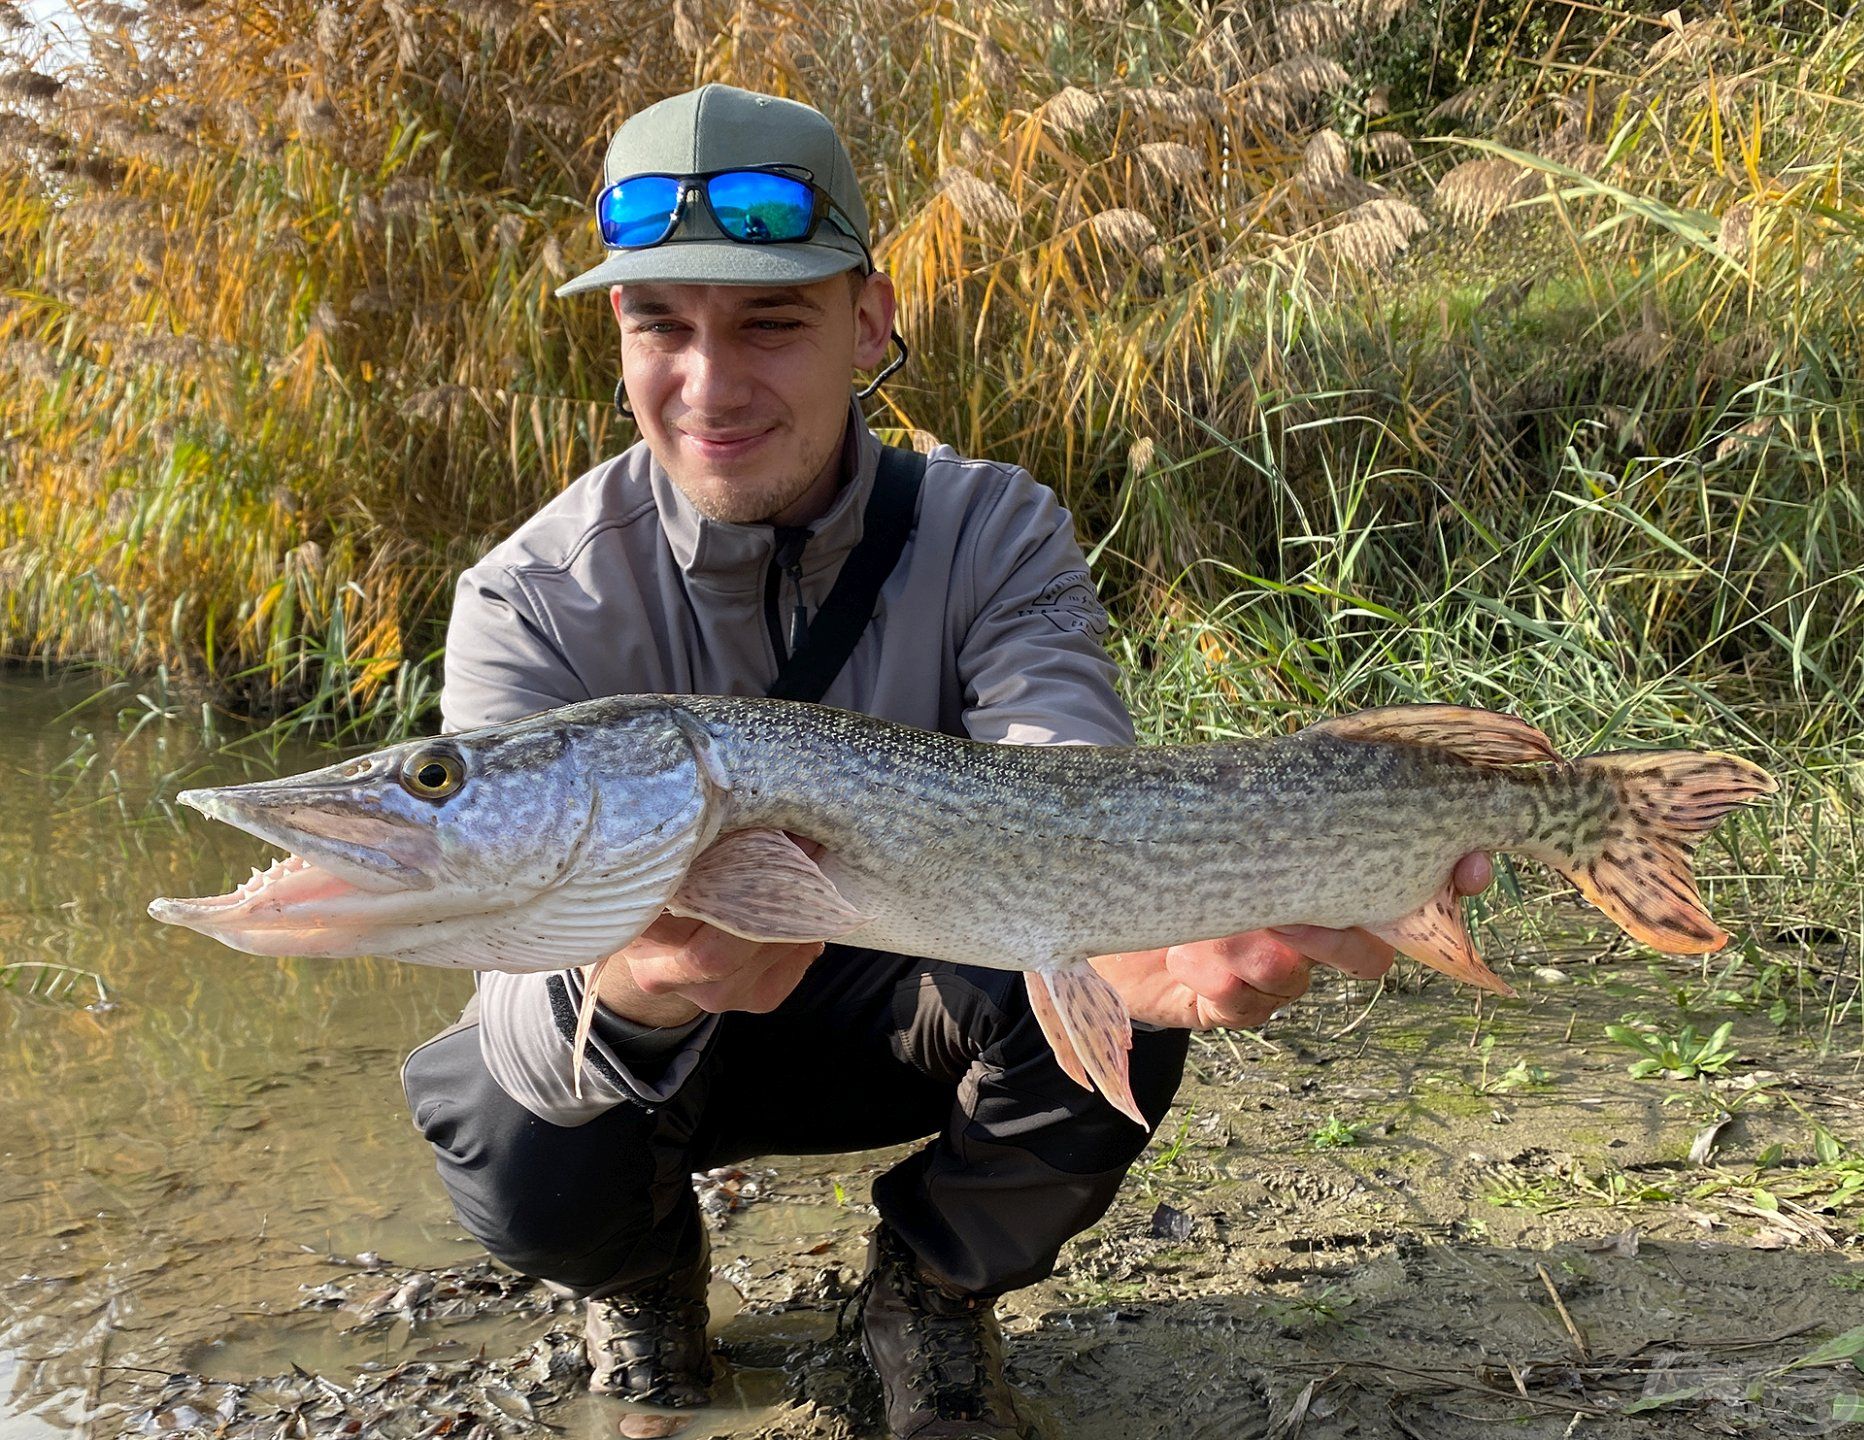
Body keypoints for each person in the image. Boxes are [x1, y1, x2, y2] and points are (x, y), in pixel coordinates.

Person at [400, 83, 1492, 1440]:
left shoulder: (994, 530)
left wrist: (1149, 919)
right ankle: (640, 1275)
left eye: (771, 322)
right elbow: (503, 980)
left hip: (911, 998)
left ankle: (927, 1287)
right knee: (503, 1113)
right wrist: (639, 990)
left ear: (869, 321)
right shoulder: (526, 600)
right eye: (659, 324)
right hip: (673, 1055)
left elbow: (1066, 772)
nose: (709, 382)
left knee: (1124, 998)